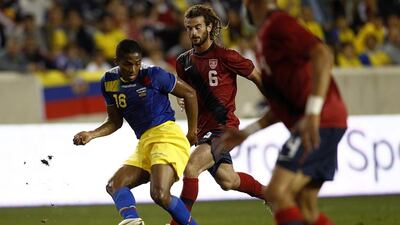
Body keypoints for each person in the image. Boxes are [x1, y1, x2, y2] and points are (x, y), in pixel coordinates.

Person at [217, 1, 348, 225]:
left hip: (320, 120)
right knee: (305, 205)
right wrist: (247, 132)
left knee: (277, 193)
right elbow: (280, 105)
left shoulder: (278, 24)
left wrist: (313, 113)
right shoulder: (264, 39)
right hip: (323, 120)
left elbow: (323, 54)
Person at [73, 39, 199, 225]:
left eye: (137, 63)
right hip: (145, 142)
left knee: (159, 194)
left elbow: (189, 94)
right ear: (117, 61)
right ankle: (133, 221)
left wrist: (192, 131)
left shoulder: (153, 75)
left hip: (167, 136)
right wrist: (92, 134)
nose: (133, 69)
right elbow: (115, 121)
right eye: (128, 64)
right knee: (115, 185)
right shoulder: (110, 82)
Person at [169, 4, 266, 225]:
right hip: (204, 131)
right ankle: (271, 195)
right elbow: (184, 91)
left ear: (210, 27)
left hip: (225, 127)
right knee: (227, 180)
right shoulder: (183, 62)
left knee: (192, 167)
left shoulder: (226, 56)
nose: (193, 33)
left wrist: (275, 102)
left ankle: (178, 223)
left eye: (198, 27)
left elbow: (257, 77)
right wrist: (181, 97)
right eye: (189, 28)